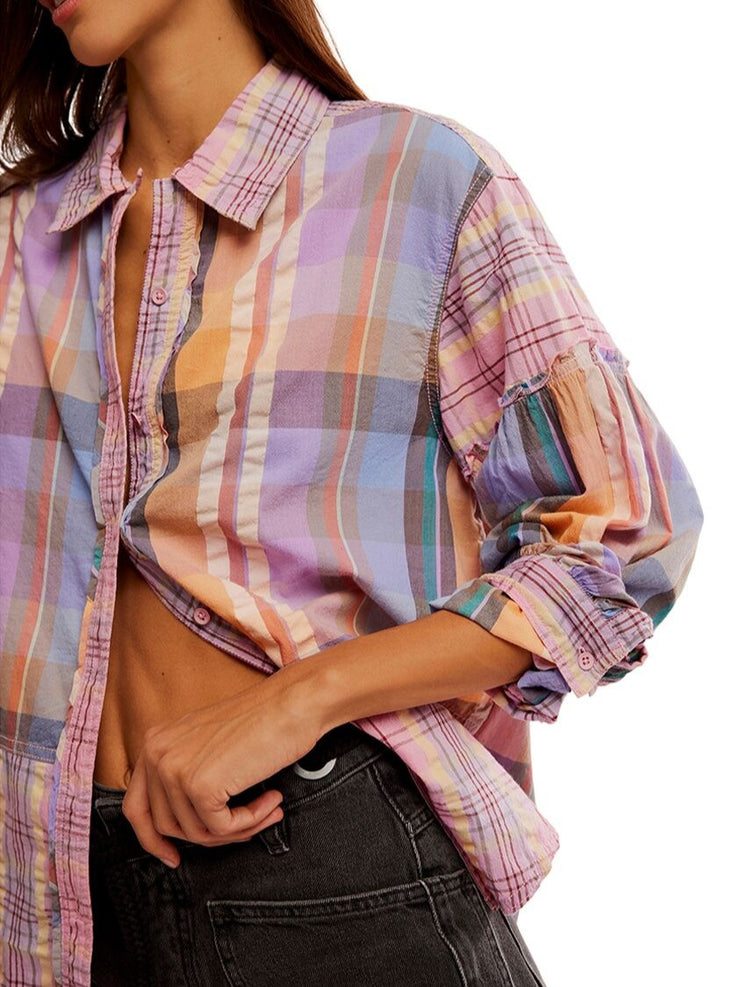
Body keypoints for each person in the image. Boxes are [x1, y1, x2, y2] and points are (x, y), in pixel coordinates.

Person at [0, 0, 704, 984]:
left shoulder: (414, 181)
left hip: (334, 863)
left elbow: (623, 537)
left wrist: (303, 697)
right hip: (54, 906)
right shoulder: (18, 237)